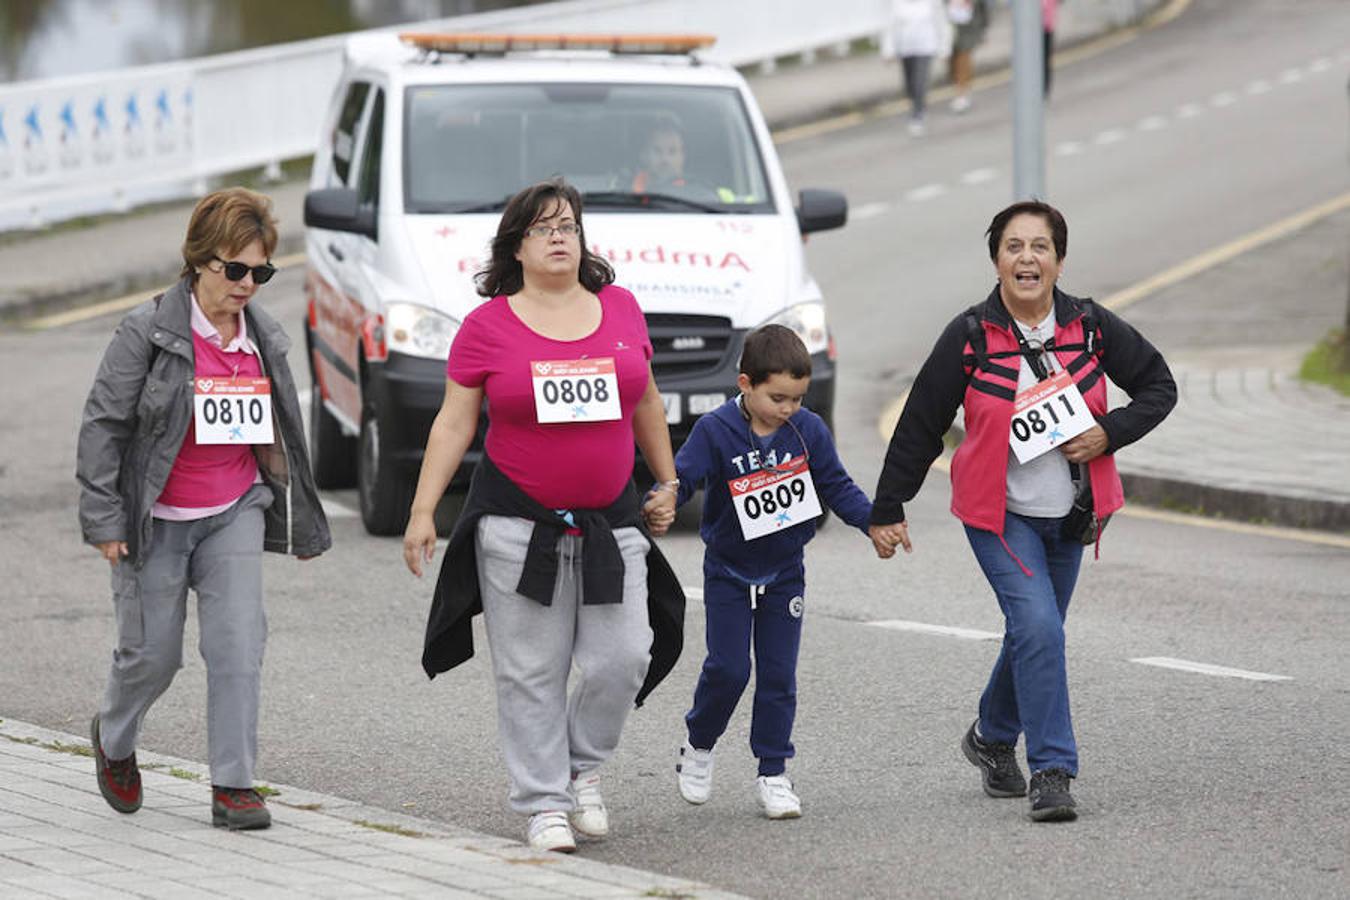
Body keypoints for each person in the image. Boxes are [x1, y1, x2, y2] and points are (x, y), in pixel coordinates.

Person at [870, 200, 1175, 821]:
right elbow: (922, 422)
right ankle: (1054, 770)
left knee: (1035, 633)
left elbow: (1158, 386)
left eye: (1040, 247)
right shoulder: (970, 336)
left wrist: (1108, 433)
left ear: (1059, 262)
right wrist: (887, 506)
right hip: (999, 513)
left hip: (1073, 514)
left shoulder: (1089, 328)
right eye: (1014, 247)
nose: (1027, 258)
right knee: (1040, 629)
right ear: (996, 260)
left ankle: (988, 737)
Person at [406, 177, 685, 853]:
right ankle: (543, 804)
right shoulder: (486, 327)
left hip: (610, 524)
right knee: (531, 670)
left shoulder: (620, 308)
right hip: (516, 526)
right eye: (543, 228)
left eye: (569, 226)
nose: (559, 237)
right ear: (516, 247)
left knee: (624, 656)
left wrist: (669, 480)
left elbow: (646, 401)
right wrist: (422, 512)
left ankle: (581, 770)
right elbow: (452, 424)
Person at [77, 187, 331, 831]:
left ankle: (234, 785)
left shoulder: (263, 338)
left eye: (261, 271)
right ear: (199, 261)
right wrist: (105, 519)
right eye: (235, 268)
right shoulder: (148, 330)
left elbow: (284, 436)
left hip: (234, 508)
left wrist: (298, 519)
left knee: (239, 644)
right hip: (154, 517)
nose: (248, 284)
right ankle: (114, 735)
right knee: (153, 656)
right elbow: (104, 425)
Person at [642, 324, 897, 819]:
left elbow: (838, 487)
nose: (788, 409)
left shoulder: (809, 431)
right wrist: (665, 496)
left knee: (779, 675)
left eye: (798, 399)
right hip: (728, 571)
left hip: (784, 573)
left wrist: (875, 524)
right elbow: (684, 475)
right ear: (745, 384)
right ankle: (699, 743)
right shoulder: (716, 429)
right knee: (729, 668)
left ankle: (774, 771)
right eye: (778, 397)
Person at [889, 0, 949, 136]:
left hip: (926, 47)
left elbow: (941, 23)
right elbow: (892, 26)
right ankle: (917, 106)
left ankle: (917, 115)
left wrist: (944, 48)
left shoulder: (932, 3)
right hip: (906, 49)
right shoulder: (898, 4)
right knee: (910, 85)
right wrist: (890, 50)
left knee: (919, 82)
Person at [946, 0, 991, 113]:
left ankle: (962, 93)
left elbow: (982, 8)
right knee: (952, 62)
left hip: (968, 30)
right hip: (949, 28)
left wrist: (984, 29)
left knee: (963, 59)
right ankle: (959, 87)